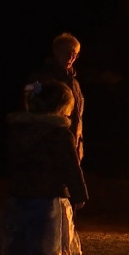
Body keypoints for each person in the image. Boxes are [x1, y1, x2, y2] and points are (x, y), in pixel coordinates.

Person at [0, 79, 89, 255]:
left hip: (19, 191)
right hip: (48, 193)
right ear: (60, 108)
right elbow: (69, 165)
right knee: (46, 234)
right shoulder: (59, 133)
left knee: (19, 231)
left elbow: (8, 159)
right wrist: (79, 193)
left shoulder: (18, 130)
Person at [26, 33, 85, 161]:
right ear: (56, 51)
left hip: (72, 147)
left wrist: (77, 145)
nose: (71, 57)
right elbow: (29, 105)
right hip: (48, 146)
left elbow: (77, 117)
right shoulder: (41, 77)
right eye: (66, 52)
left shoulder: (75, 83)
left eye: (74, 54)